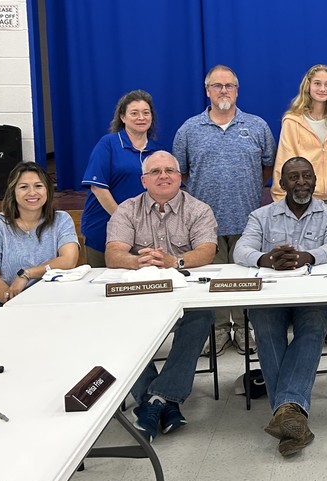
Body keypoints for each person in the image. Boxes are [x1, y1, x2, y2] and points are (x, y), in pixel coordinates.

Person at [234, 156, 327, 457]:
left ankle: (285, 411)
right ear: (282, 183)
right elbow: (241, 250)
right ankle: (292, 412)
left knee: (312, 330)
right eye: (294, 177)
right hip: (271, 295)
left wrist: (308, 256)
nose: (301, 182)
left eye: (307, 176)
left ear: (315, 180)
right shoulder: (261, 215)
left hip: (313, 295)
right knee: (266, 329)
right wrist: (265, 259)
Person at [105, 151, 219, 441]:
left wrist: (173, 261)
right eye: (155, 172)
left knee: (202, 316)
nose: (163, 176)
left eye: (170, 170)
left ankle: (153, 400)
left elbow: (207, 251)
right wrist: (137, 261)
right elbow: (113, 253)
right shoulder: (127, 210)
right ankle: (163, 402)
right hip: (139, 295)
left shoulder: (199, 209)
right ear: (144, 180)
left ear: (180, 177)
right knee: (117, 322)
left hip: (185, 294)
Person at [173, 64, 276, 356]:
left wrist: (247, 186)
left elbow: (268, 165)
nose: (223, 91)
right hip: (205, 224)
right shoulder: (189, 129)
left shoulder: (257, 126)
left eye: (229, 86)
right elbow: (180, 171)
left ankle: (243, 328)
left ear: (237, 91)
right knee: (212, 280)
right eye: (217, 86)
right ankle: (218, 330)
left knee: (246, 278)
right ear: (207, 91)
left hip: (248, 218)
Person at [0, 163, 79, 321]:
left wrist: (27, 274)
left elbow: (69, 259)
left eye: (38, 186)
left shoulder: (61, 220)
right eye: (24, 187)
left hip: (43, 301)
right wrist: (18, 306)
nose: (32, 192)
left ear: (47, 190)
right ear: (13, 191)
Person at [81, 90, 161, 267]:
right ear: (123, 117)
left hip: (142, 236)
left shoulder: (157, 151)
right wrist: (124, 221)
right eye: (134, 113)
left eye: (146, 113)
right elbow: (98, 188)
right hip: (103, 229)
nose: (141, 117)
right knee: (103, 280)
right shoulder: (108, 144)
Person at [273, 64, 327, 215]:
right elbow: (283, 162)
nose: (322, 89)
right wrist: (280, 201)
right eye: (317, 83)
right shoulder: (293, 121)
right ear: (307, 86)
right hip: (303, 197)